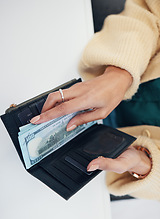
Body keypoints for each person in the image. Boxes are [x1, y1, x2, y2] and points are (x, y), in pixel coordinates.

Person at [31, 0, 160, 201]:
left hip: (129, 166)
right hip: (116, 56)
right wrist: (120, 73)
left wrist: (144, 163)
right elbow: (149, 9)